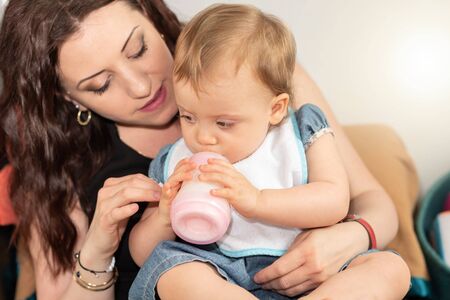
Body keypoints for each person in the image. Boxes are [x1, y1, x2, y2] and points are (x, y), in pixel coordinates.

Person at [0, 0, 409, 299]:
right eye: (100, 84)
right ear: (69, 98)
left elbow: (374, 202)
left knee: (389, 268)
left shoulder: (255, 72)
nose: (142, 87)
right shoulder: (58, 160)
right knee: (177, 274)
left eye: (138, 49)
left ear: (151, 15)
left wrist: (353, 236)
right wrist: (100, 243)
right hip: (202, 281)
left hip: (311, 279)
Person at [128, 4, 410, 299]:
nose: (202, 136)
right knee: (175, 272)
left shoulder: (302, 133)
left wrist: (257, 200)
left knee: (390, 268)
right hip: (221, 273)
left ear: (275, 109)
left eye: (223, 122)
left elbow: (334, 200)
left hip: (311, 268)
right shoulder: (176, 160)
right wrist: (163, 218)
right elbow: (141, 254)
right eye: (188, 116)